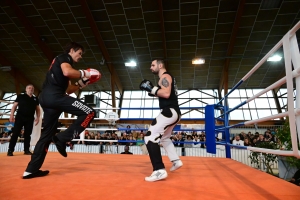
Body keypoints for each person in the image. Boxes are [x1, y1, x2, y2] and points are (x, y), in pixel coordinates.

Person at [22, 42, 100, 179]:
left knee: (46, 135)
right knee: (89, 112)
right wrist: (86, 73)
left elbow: (69, 89)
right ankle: (62, 138)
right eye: (79, 53)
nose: (80, 56)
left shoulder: (65, 64)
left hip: (47, 98)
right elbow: (67, 71)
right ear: (71, 50)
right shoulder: (65, 57)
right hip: (55, 97)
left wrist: (82, 83)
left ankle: (30, 170)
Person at [139, 59, 182, 182]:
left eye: (153, 65)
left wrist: (152, 89)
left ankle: (159, 170)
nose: (151, 67)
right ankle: (176, 161)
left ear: (160, 65)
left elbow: (166, 93)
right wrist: (153, 91)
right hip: (174, 112)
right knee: (164, 138)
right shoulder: (164, 78)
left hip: (169, 111)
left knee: (149, 137)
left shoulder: (165, 76)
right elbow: (164, 93)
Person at [7, 84, 40, 156]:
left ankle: (26, 150)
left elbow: (38, 109)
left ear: (33, 90)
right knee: (15, 133)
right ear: (26, 89)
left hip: (30, 118)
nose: (30, 89)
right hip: (20, 117)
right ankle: (10, 150)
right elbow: (14, 106)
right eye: (29, 88)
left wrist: (38, 118)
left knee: (28, 134)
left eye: (32, 88)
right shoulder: (20, 96)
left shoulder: (35, 98)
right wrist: (11, 115)